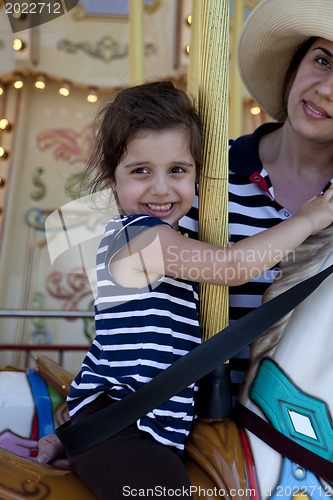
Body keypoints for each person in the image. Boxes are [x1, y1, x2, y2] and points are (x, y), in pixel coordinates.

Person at [37, 80, 333, 498]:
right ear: (111, 178)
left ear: (197, 174)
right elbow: (231, 267)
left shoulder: (166, 241)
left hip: (144, 425)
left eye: (177, 170)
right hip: (124, 427)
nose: (161, 188)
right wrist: (308, 220)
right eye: (141, 171)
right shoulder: (140, 240)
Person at [180, 0, 333, 398]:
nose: (327, 89)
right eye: (323, 61)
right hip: (191, 427)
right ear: (295, 65)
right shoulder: (200, 176)